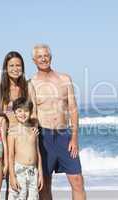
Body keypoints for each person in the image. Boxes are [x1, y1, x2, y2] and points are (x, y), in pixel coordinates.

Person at [30, 44, 86, 200]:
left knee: (77, 181)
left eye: (46, 55)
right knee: (45, 184)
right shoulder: (31, 83)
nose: (43, 58)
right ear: (34, 60)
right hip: (43, 136)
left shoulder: (64, 79)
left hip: (64, 135)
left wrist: (74, 138)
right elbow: (29, 113)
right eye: (39, 56)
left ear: (51, 57)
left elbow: (73, 109)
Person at [1, 51, 38, 199]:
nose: (15, 68)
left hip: (25, 139)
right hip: (9, 139)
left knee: (29, 189)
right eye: (11, 65)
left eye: (18, 65)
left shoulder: (28, 86)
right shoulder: (1, 89)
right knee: (12, 186)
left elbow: (34, 112)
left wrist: (31, 127)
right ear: (6, 68)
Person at [7, 97, 43, 200]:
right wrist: (12, 177)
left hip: (33, 171)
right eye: (19, 111)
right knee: (19, 197)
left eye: (26, 111)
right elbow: (10, 155)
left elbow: (38, 153)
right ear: (14, 112)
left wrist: (40, 174)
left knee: (34, 198)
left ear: (30, 112)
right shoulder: (12, 132)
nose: (23, 114)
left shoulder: (34, 131)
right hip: (19, 171)